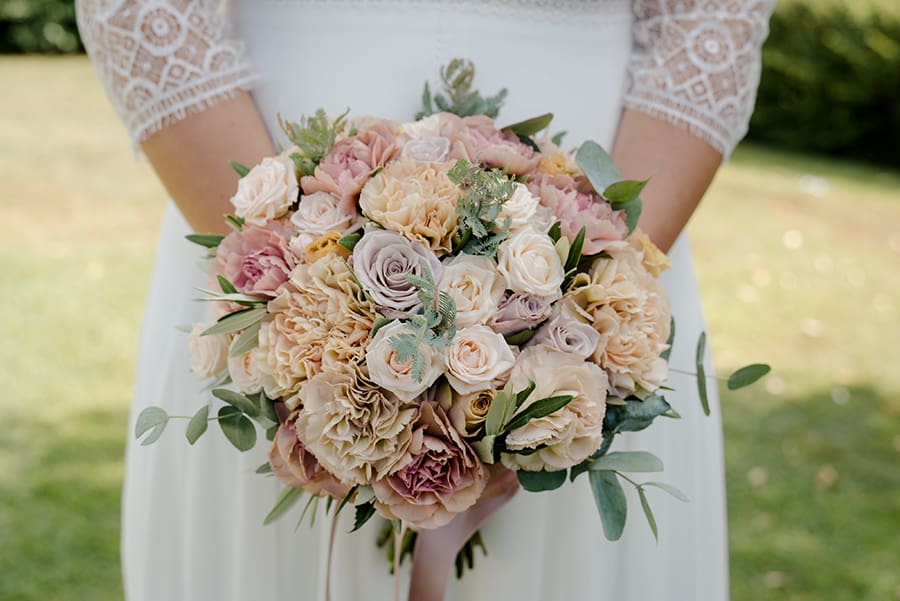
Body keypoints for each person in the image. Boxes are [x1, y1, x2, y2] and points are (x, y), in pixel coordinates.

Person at [75, 1, 774, 599]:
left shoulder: (595, 268)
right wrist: (295, 305)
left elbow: (710, 20)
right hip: (259, 180)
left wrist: (586, 287)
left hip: (608, 196)